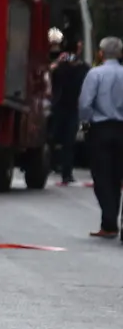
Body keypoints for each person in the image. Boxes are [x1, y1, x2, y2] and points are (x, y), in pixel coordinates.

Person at [79, 36, 123, 239]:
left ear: (100, 53)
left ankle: (109, 221)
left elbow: (86, 103)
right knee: (118, 176)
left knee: (103, 176)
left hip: (101, 129)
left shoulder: (95, 74)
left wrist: (86, 123)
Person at [50, 35, 89, 185]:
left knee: (64, 140)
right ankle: (63, 170)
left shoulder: (62, 67)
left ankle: (62, 169)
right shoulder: (80, 68)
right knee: (64, 140)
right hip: (67, 107)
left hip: (66, 107)